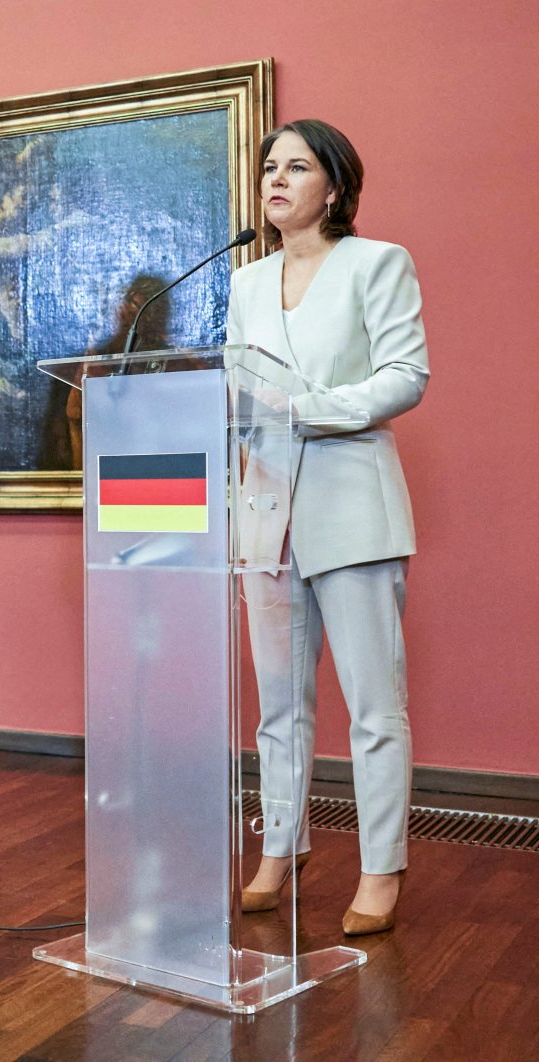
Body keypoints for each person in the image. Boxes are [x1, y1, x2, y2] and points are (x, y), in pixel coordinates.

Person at [228, 120, 428, 935]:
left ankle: (382, 868)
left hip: (353, 511)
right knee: (278, 704)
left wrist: (305, 409)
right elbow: (240, 386)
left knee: (374, 708)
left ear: (335, 186)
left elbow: (405, 376)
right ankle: (281, 845)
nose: (276, 179)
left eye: (296, 167)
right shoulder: (246, 281)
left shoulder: (377, 264)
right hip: (265, 510)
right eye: (269, 166)